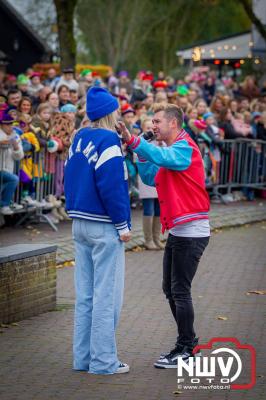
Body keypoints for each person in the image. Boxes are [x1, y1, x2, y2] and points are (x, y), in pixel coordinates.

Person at [118, 103, 210, 369]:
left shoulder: (185, 146)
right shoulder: (168, 151)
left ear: (173, 123)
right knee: (170, 289)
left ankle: (187, 348)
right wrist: (141, 152)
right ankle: (187, 344)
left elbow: (167, 160)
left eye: (157, 121)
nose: (153, 126)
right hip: (180, 231)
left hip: (191, 231)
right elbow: (150, 177)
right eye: (152, 122)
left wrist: (135, 141)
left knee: (180, 290)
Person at [64, 86, 131, 375]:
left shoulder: (78, 137)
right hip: (104, 225)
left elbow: (69, 175)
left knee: (86, 296)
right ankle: (103, 361)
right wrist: (123, 225)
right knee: (107, 295)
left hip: (79, 220)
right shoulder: (109, 141)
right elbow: (113, 187)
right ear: (111, 112)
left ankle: (83, 359)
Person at [0, 112, 24, 214]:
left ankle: (5, 203)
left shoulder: (15, 136)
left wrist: (16, 147)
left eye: (11, 124)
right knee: (14, 179)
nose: (10, 127)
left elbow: (19, 156)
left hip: (8, 169)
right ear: (1, 125)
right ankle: (4, 204)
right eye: (7, 124)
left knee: (11, 180)